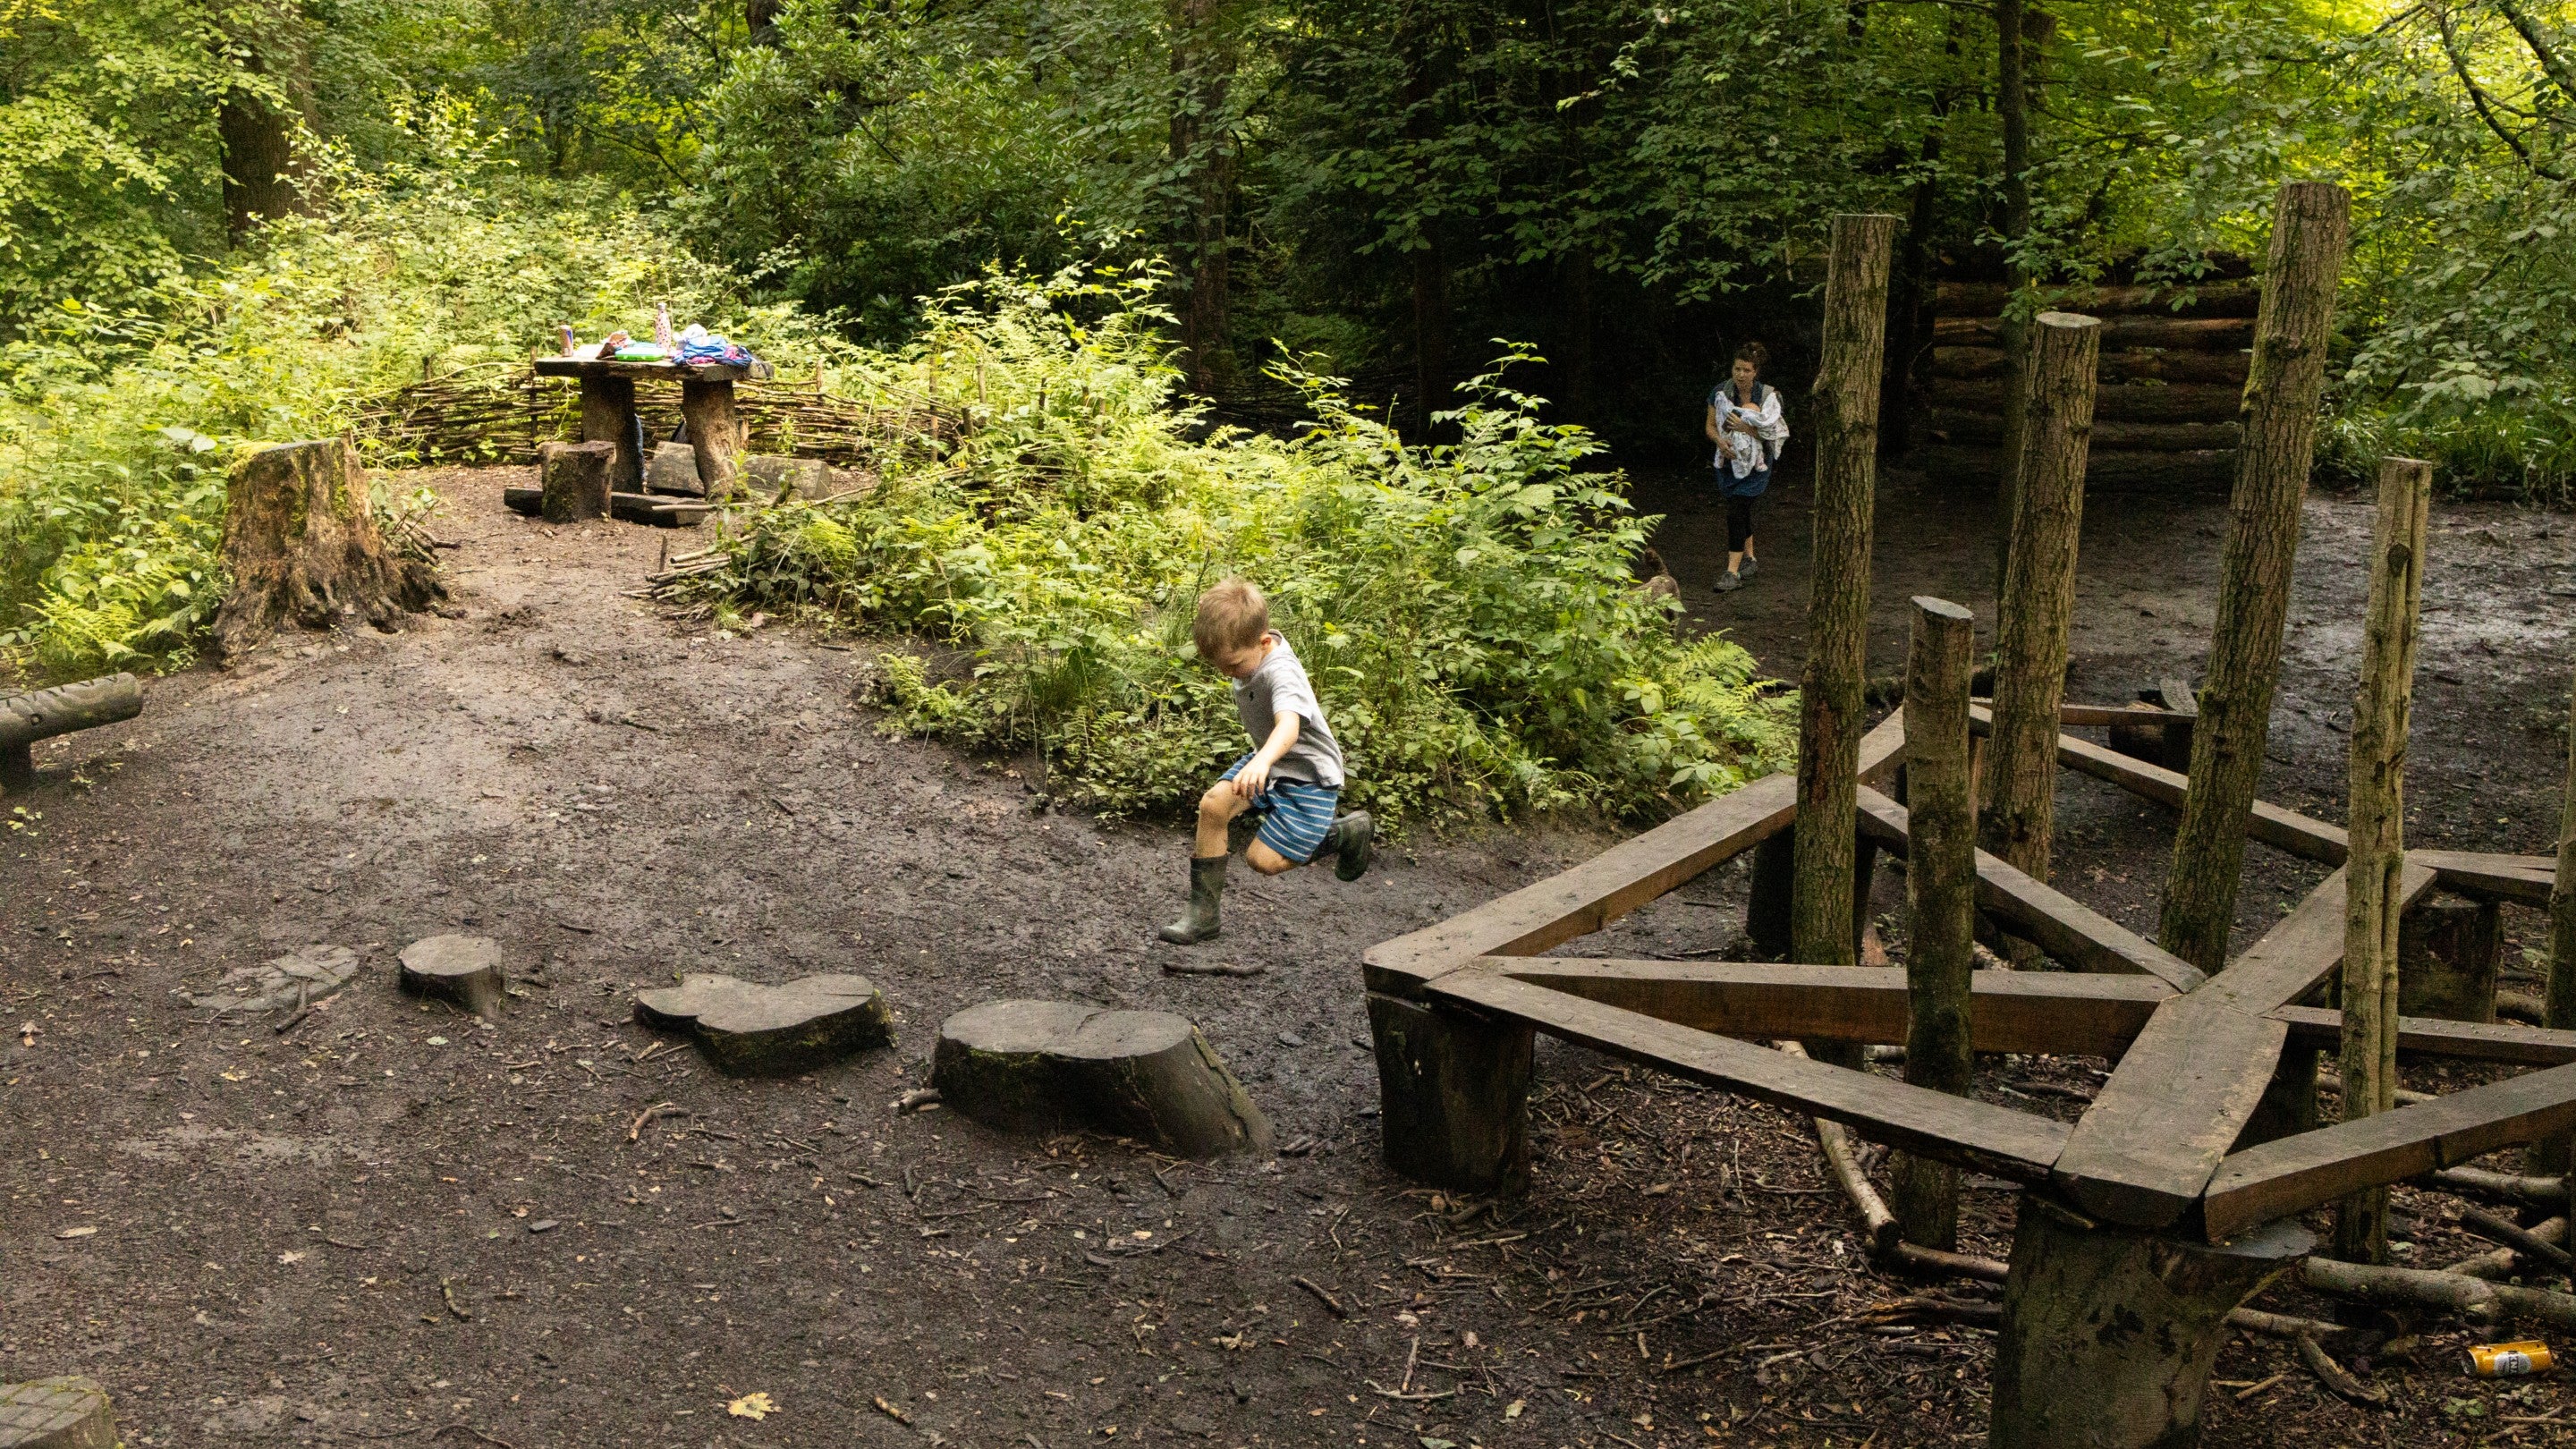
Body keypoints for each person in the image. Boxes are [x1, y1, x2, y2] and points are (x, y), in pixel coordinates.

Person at [1158, 579, 1374, 945]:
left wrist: (1262, 761)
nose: (1227, 673)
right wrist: (1264, 761)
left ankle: (1345, 833)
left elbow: (1289, 724)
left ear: (1263, 643)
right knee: (1213, 806)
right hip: (1271, 763)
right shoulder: (1248, 650)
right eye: (1219, 666)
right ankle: (1203, 918)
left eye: (1233, 665)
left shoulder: (1281, 671)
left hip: (1308, 775)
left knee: (1264, 861)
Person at [1704, 341, 1789, 592]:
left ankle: (1732, 573)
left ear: (1756, 372)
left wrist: (1745, 428)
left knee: (1736, 510)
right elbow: (1709, 426)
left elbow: (1773, 432)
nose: (1741, 375)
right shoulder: (1720, 393)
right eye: (1737, 369)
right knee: (1739, 509)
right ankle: (1750, 559)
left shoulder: (1768, 396)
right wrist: (1720, 442)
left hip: (1756, 465)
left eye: (1747, 370)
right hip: (1728, 461)